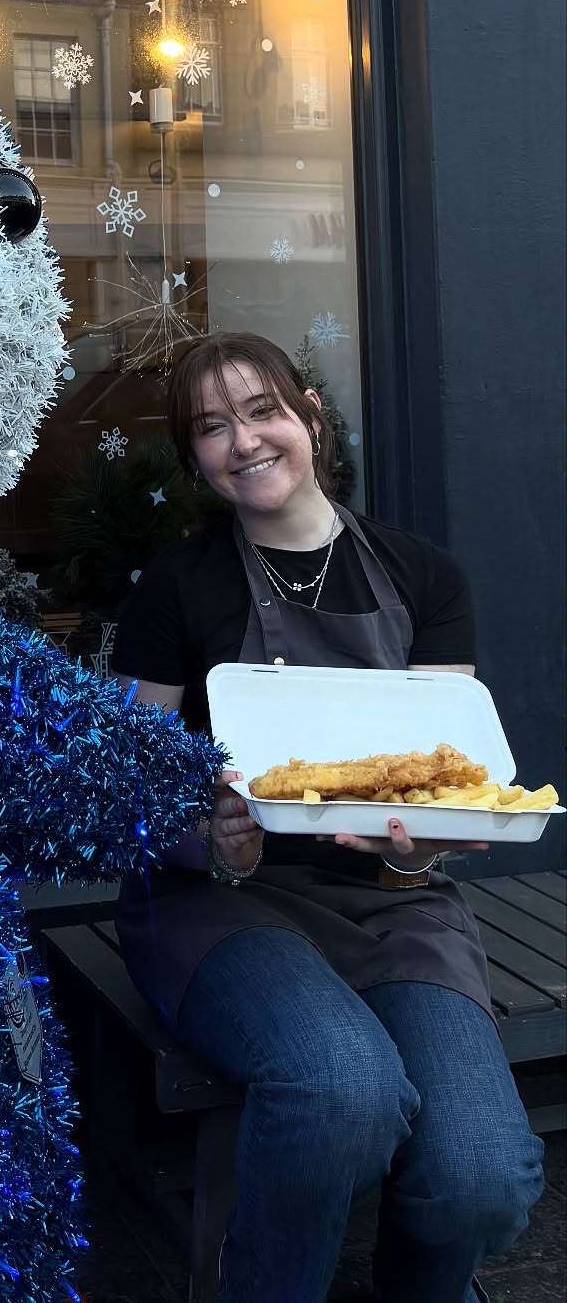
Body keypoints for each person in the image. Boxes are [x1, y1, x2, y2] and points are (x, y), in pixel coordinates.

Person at [110, 331, 543, 1303]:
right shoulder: (177, 589)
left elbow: (438, 771)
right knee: (341, 1089)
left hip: (395, 908)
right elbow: (127, 792)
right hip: (220, 903)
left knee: (480, 1175)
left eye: (261, 410)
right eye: (212, 427)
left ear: (307, 413)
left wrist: (417, 849)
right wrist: (207, 834)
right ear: (195, 459)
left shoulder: (423, 575)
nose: (245, 440)